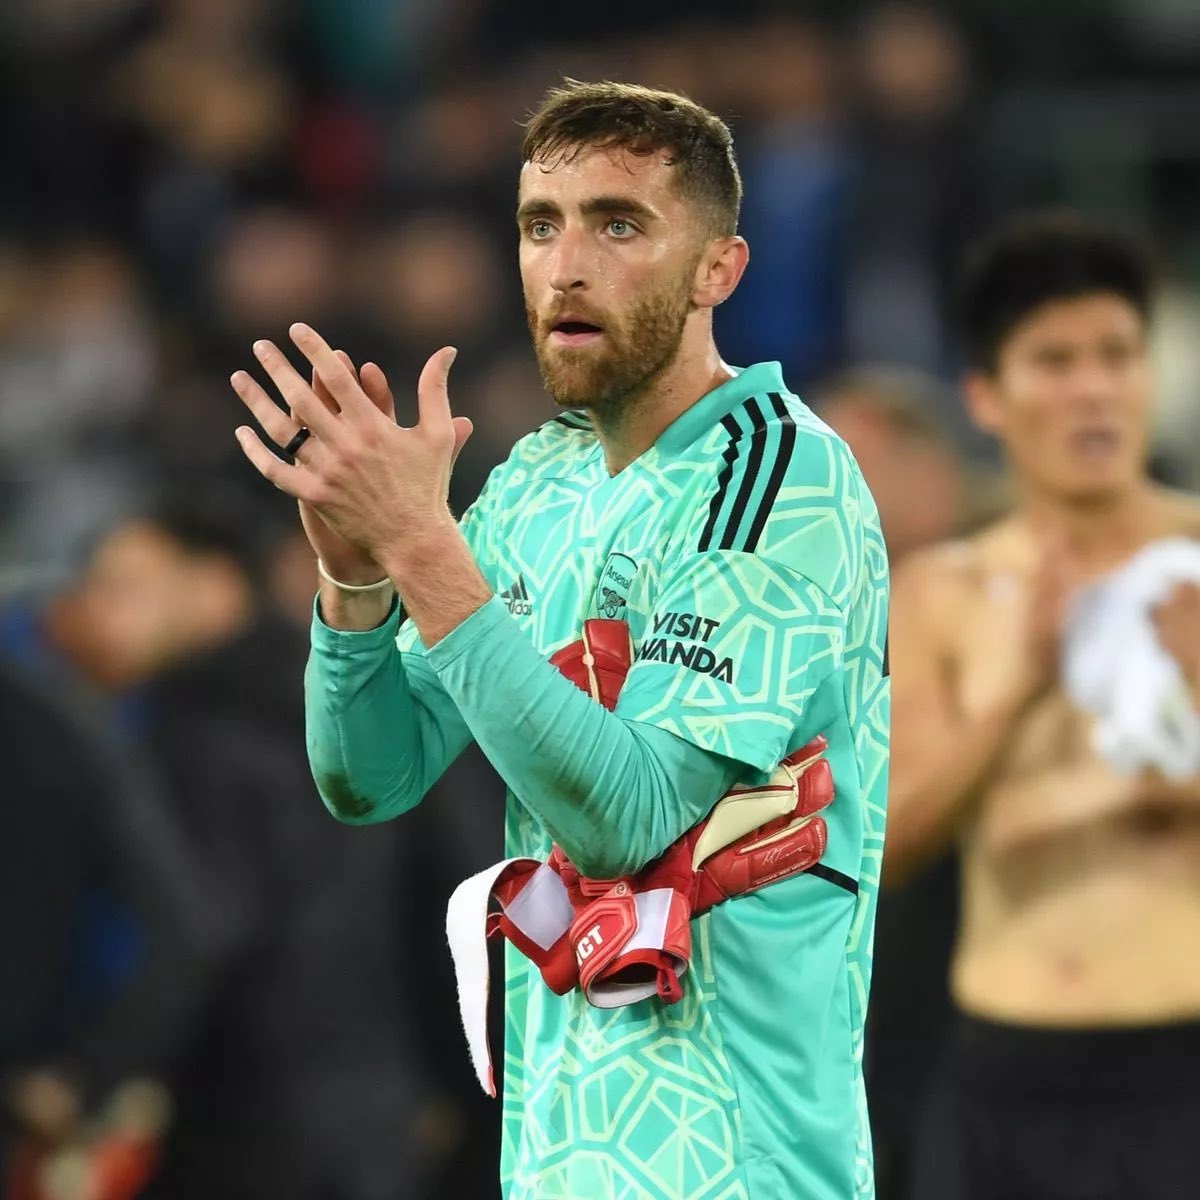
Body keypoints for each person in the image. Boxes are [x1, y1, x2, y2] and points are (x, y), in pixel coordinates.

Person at [230, 81, 890, 1199]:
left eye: (619, 224)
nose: (566, 264)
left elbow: (628, 818)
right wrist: (354, 576)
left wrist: (423, 551)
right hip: (559, 1155)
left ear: (718, 271)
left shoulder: (777, 476)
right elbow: (371, 776)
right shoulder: (540, 479)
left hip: (734, 1158)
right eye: (543, 225)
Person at [886, 211, 1200, 1199]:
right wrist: (1018, 688)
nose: (1094, 387)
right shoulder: (943, 594)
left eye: (1117, 354)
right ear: (987, 396)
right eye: (1055, 360)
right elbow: (882, 843)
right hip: (1003, 1080)